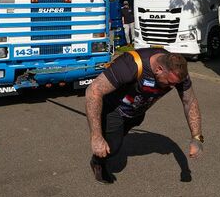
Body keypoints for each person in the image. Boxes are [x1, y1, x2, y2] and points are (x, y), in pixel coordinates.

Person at [85, 49, 203, 184]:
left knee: (119, 134)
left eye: (174, 84)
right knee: (113, 146)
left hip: (136, 112)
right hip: (114, 109)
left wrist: (197, 137)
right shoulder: (130, 65)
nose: (172, 87)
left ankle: (110, 136)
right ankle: (97, 162)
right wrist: (96, 137)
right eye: (169, 82)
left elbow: (190, 102)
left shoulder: (178, 73)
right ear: (158, 69)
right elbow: (93, 91)